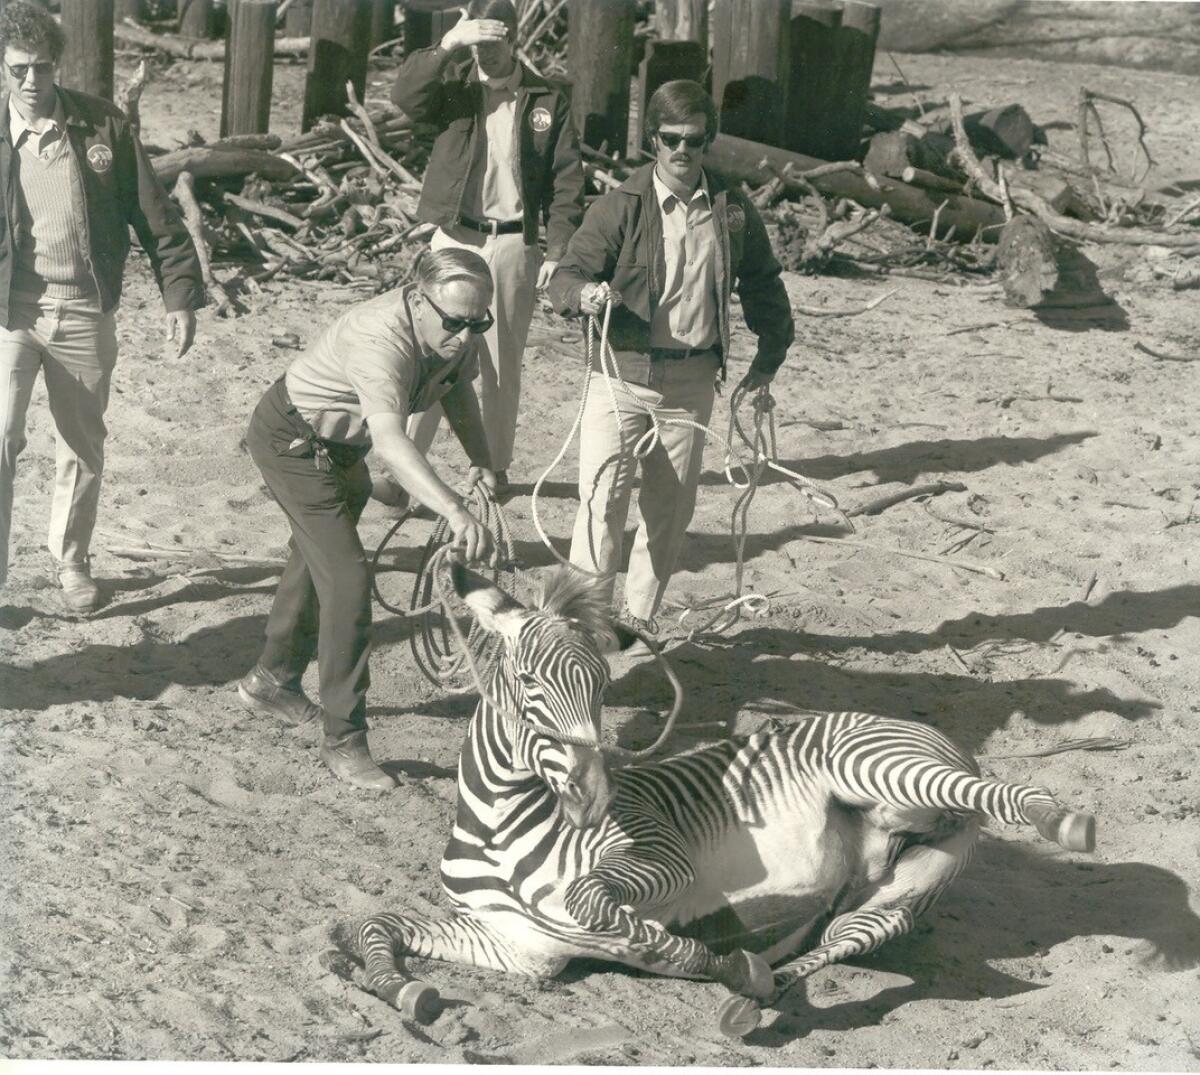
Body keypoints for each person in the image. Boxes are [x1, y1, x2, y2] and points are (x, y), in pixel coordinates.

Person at [239, 248, 499, 791]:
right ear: (416, 297)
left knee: (316, 563)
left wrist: (483, 460)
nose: (467, 336)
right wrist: (453, 508)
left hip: (338, 452)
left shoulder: (456, 330)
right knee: (349, 580)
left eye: (480, 323)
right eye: (455, 322)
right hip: (294, 441)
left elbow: (459, 394)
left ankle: (273, 680)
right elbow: (390, 440)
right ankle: (345, 739)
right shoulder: (381, 337)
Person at [548, 80, 795, 641]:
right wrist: (581, 296)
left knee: (670, 510)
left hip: (693, 380)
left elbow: (763, 282)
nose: (683, 152)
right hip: (620, 377)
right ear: (651, 141)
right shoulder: (621, 206)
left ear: (709, 141)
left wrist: (769, 357)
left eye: (695, 141)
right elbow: (566, 275)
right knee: (600, 503)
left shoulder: (732, 210)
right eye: (671, 140)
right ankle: (584, 626)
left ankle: (637, 620)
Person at [0, 0, 202, 616]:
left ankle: (71, 562)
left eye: (41, 67)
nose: (32, 81)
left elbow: (156, 217)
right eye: (18, 70)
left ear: (57, 64)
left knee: (81, 444)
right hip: (10, 315)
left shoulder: (103, 128)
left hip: (84, 309)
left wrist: (180, 296)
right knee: (0, 440)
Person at [391, 0, 584, 494]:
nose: (487, 56)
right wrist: (449, 42)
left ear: (515, 41)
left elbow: (567, 181)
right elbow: (405, 95)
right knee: (431, 353)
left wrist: (558, 249)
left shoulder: (546, 99)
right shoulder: (454, 86)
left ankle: (494, 467)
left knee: (500, 363)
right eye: (479, 46)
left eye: (495, 45)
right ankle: (406, 469)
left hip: (515, 242)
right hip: (455, 234)